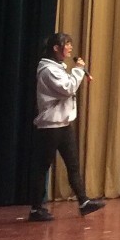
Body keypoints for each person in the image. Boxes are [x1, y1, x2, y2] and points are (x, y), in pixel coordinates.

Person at [30, 31, 105, 220]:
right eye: (67, 44)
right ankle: (36, 209)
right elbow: (67, 88)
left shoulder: (58, 68)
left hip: (63, 124)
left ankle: (84, 201)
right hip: (50, 127)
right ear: (56, 48)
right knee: (42, 167)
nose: (70, 47)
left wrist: (76, 72)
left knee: (73, 165)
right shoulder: (48, 70)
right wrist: (78, 70)